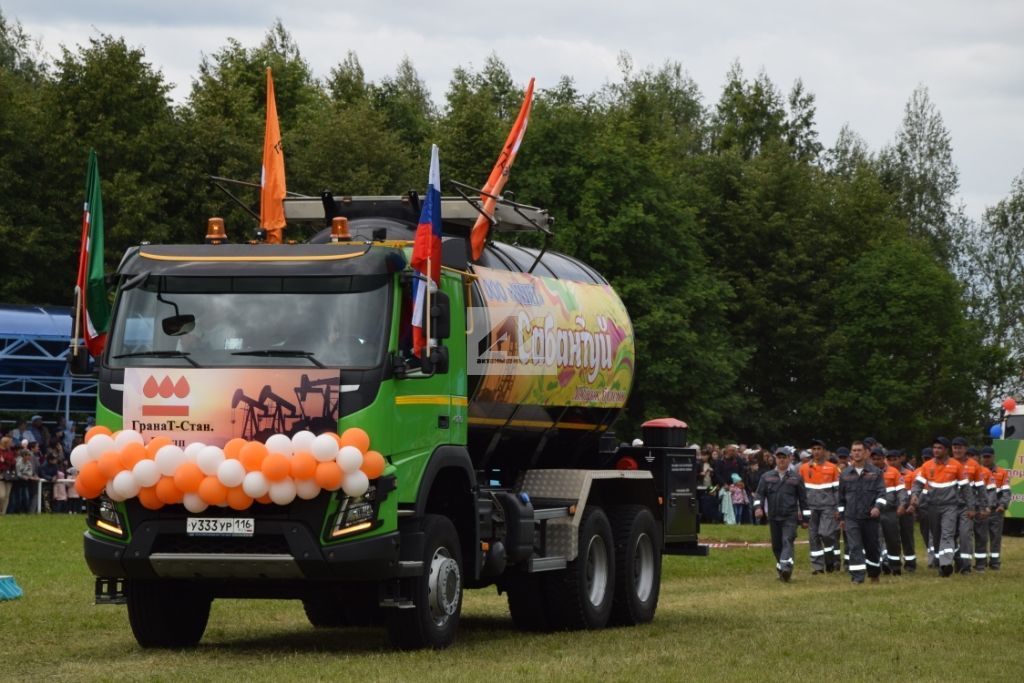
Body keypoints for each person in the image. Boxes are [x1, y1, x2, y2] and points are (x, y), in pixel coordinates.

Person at [909, 437, 966, 577]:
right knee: (937, 536)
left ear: (946, 450)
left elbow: (966, 488)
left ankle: (945, 565)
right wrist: (915, 495)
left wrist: (971, 506)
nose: (936, 450)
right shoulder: (927, 466)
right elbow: (918, 483)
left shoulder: (956, 465)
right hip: (932, 506)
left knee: (947, 534)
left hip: (950, 506)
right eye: (934, 447)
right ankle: (956, 559)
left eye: (939, 448)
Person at [753, 447, 807, 582]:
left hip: (790, 517)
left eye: (784, 457)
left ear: (790, 458)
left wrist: (806, 518)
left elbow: (804, 500)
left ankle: (785, 568)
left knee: (787, 540)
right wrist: (758, 508)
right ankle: (783, 569)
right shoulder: (766, 476)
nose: (781, 460)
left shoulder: (796, 477)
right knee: (776, 546)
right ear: (775, 459)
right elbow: (759, 494)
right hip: (773, 516)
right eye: (779, 457)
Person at [838, 441, 885, 584]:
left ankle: (874, 573)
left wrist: (877, 507)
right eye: (854, 450)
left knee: (872, 547)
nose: (856, 453)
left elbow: (882, 494)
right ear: (851, 453)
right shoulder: (845, 474)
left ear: (866, 453)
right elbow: (841, 499)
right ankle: (857, 577)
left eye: (859, 450)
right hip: (852, 517)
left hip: (870, 517)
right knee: (854, 546)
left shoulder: (875, 473)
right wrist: (842, 517)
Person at [799, 438, 840, 574]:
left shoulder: (833, 468)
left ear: (824, 451)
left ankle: (830, 559)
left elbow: (837, 490)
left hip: (828, 506)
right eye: (814, 449)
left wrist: (838, 508)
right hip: (810, 507)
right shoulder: (804, 468)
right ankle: (817, 567)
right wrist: (800, 508)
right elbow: (799, 490)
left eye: (819, 449)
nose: (816, 451)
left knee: (827, 534)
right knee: (813, 536)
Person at [950, 436, 981, 574]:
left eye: (960, 447)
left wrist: (979, 506)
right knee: (950, 536)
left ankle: (966, 566)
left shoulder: (974, 465)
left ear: (965, 449)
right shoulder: (947, 463)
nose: (957, 450)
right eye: (955, 447)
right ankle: (957, 560)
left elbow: (981, 487)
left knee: (965, 535)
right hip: (949, 505)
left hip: (965, 507)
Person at [873, 448, 906, 575]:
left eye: (879, 459)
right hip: (875, 512)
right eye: (874, 459)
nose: (876, 461)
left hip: (890, 511)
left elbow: (901, 491)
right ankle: (882, 563)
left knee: (893, 540)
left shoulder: (894, 472)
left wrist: (902, 504)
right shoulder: (868, 473)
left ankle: (896, 566)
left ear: (883, 459)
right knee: (877, 539)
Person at [981, 447, 1009, 570]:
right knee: (981, 537)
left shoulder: (1002, 472)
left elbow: (1006, 491)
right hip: (981, 511)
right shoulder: (977, 471)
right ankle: (981, 562)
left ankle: (995, 562)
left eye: (988, 456)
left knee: (995, 537)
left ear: (993, 457)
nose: (986, 459)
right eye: (984, 456)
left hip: (996, 510)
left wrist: (1003, 505)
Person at [968, 447, 995, 571]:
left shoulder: (986, 472)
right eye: (969, 456)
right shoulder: (961, 470)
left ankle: (980, 564)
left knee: (981, 537)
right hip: (966, 509)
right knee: (965, 537)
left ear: (977, 458)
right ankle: (964, 563)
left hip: (980, 508)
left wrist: (988, 507)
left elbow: (991, 492)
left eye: (973, 456)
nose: (971, 458)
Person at [0, 435, 16, 515]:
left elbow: (13, 462)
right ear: (5, 443)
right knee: (1, 495)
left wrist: (5, 461)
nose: (11, 444)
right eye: (10, 442)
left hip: (9, 474)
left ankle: (3, 513)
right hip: (1, 474)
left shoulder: (10, 452)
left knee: (7, 495)